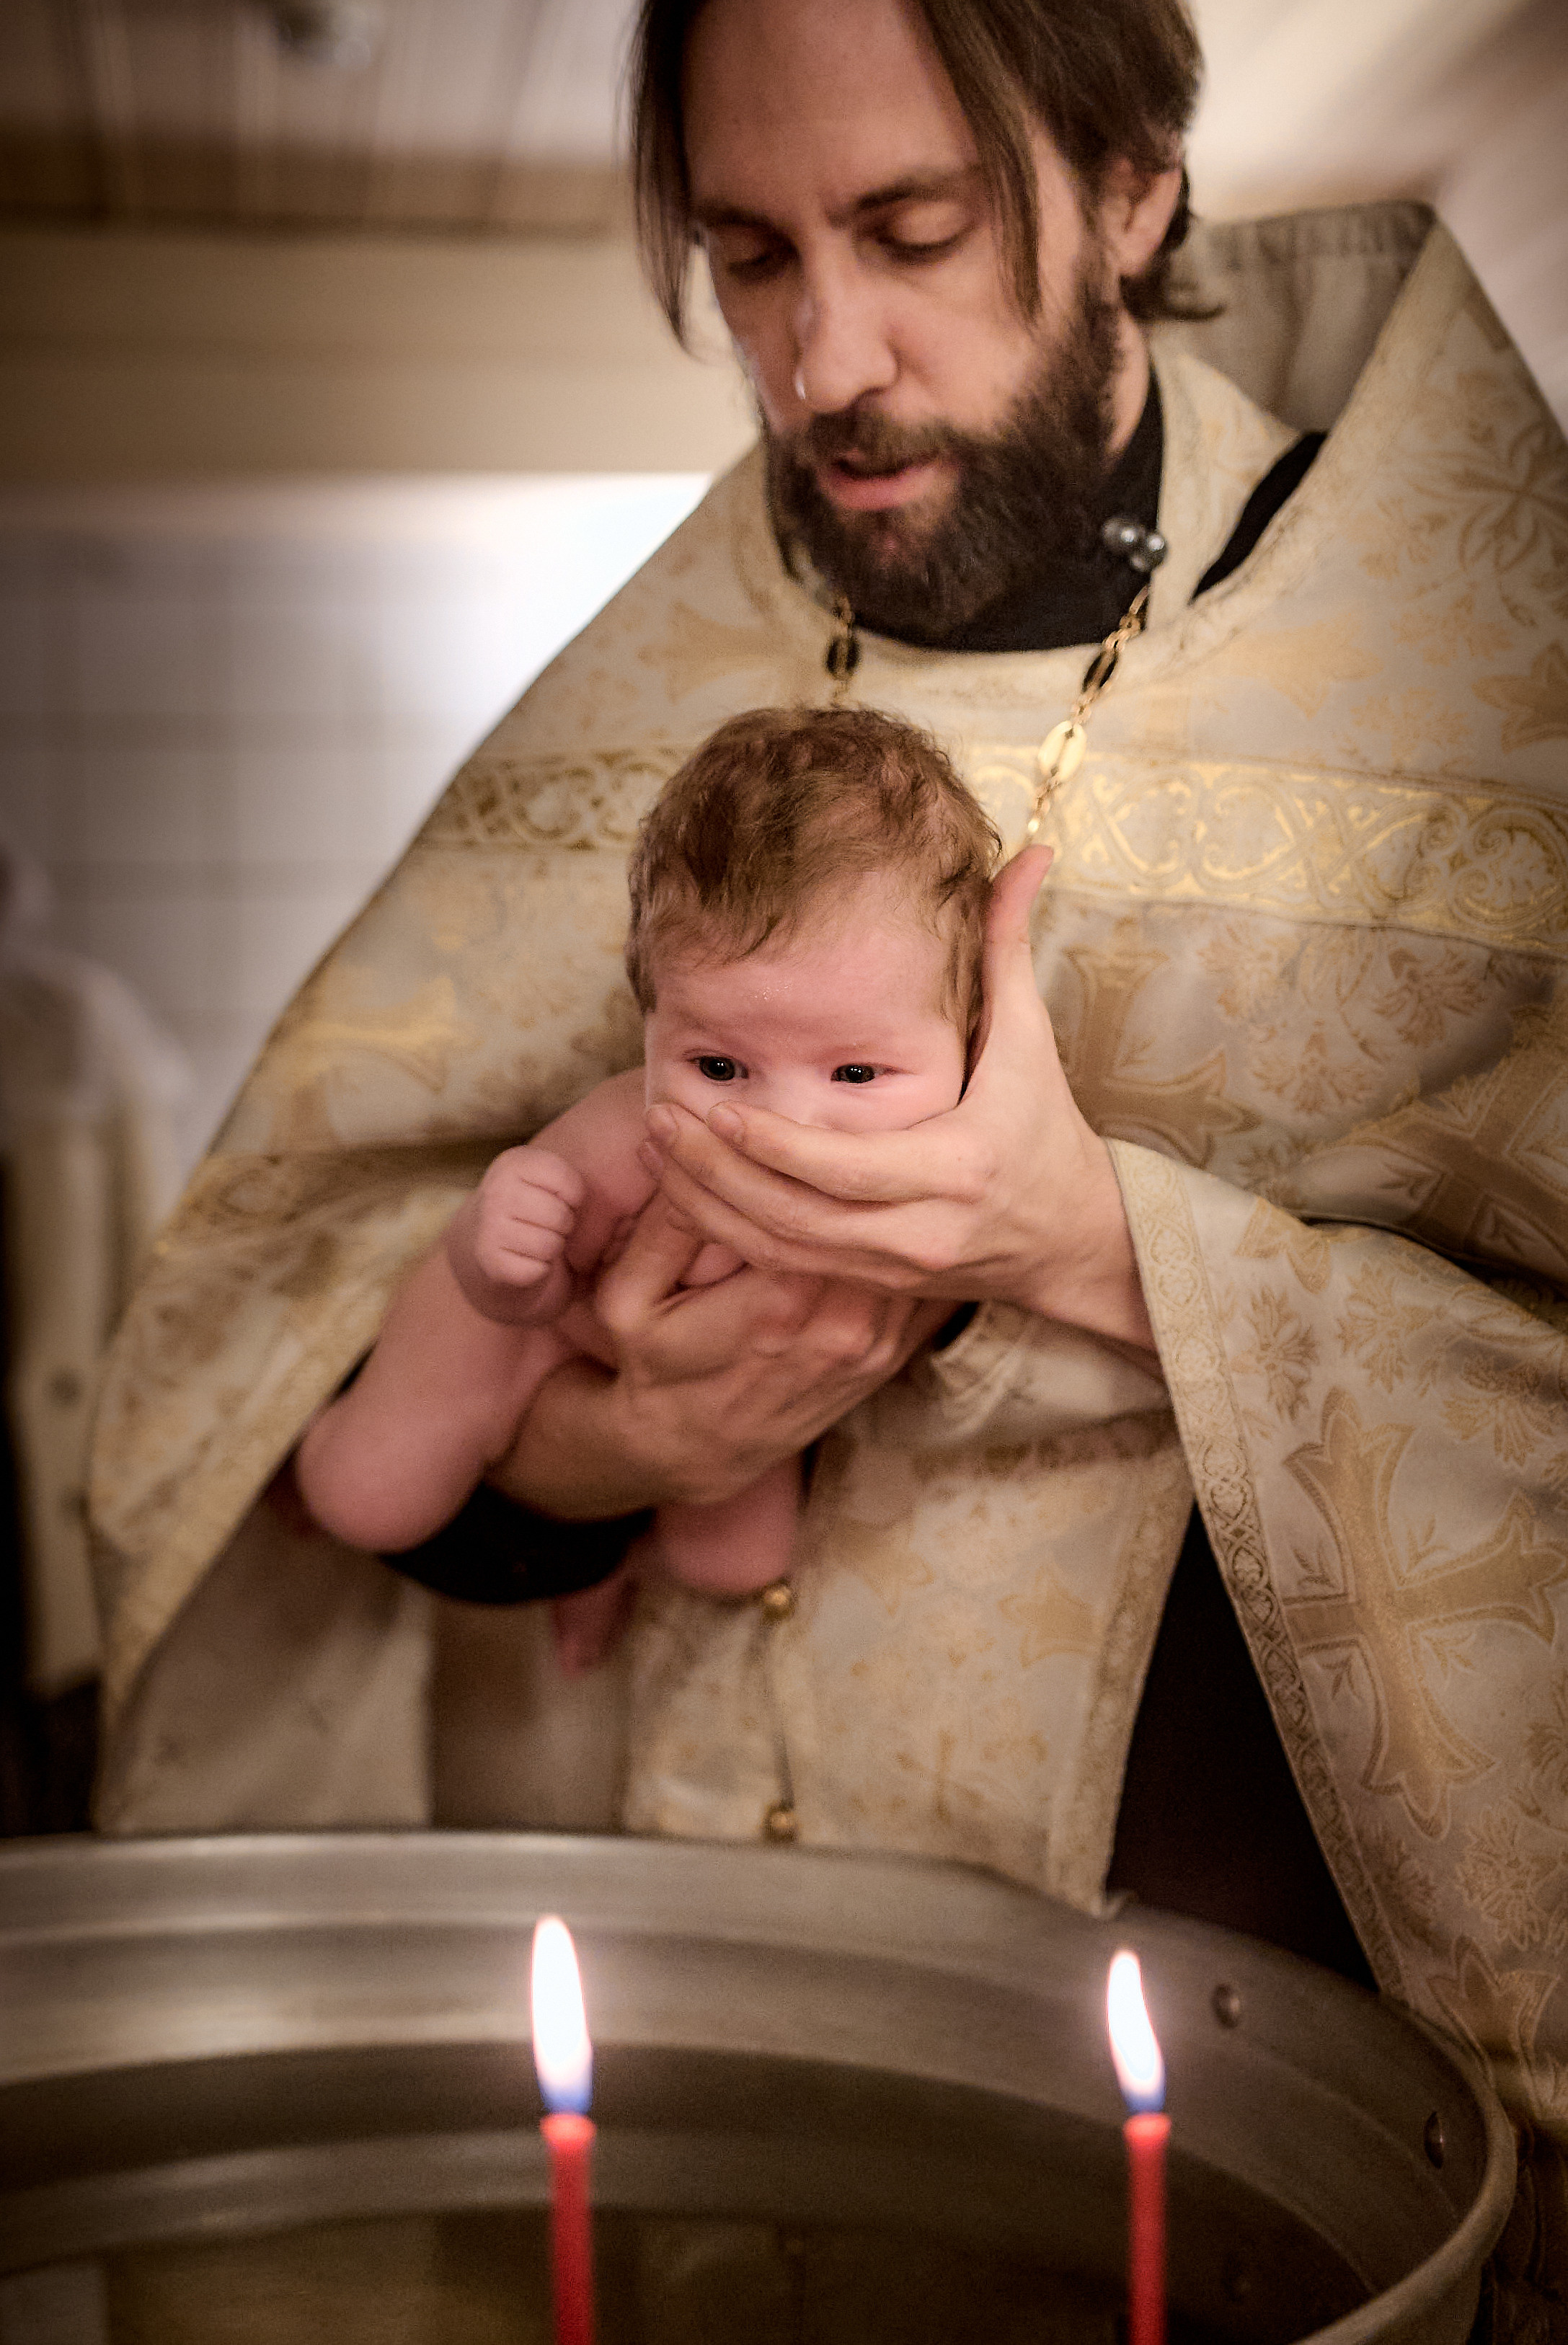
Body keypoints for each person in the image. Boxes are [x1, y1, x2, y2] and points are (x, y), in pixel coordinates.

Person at [89, 0, 1567, 2317]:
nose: (823, 360)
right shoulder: (679, 663)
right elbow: (298, 1297)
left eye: (912, 233)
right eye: (751, 256)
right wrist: (584, 1444)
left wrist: (1086, 1233)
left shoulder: (1458, 660)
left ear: (1134, 194)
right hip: (730, 1972)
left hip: (1263, 2003)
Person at [295, 704, 995, 1671]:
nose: (779, 1125)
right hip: (536, 1331)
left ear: (971, 1035)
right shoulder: (633, 1143)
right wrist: (499, 1248)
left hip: (713, 1379)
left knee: (738, 1561)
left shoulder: (943, 1163)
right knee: (368, 1497)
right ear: (651, 1019)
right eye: (717, 1066)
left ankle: (605, 1564)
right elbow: (531, 1283)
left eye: (856, 1076)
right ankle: (362, 1451)